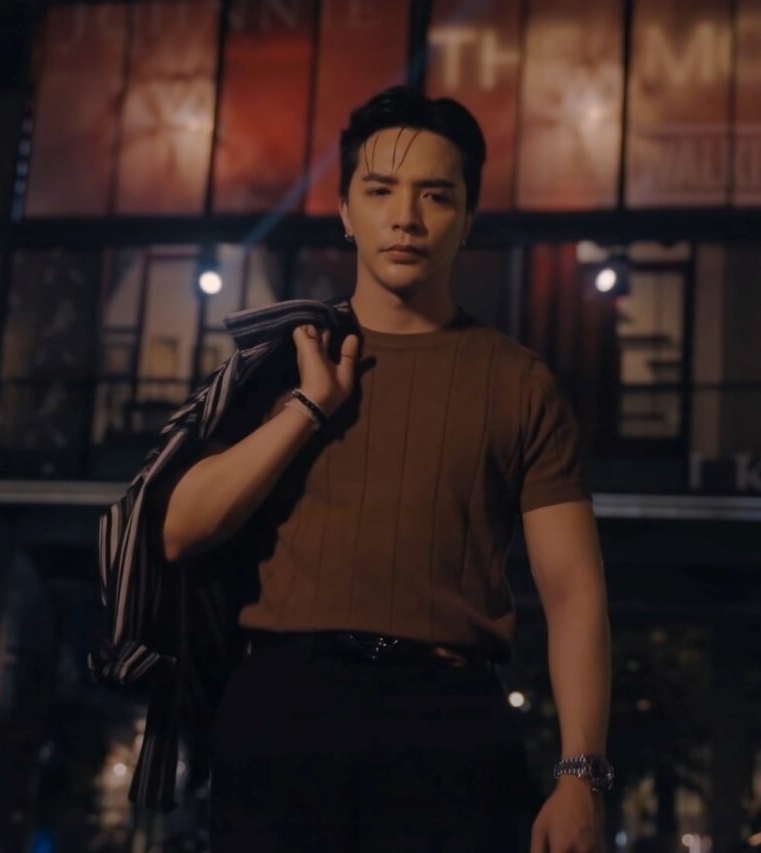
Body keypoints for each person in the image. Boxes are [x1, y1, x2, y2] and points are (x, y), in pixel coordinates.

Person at [162, 85, 611, 853]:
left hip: (447, 720)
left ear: (467, 218)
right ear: (345, 210)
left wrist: (581, 774)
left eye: (436, 194)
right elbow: (179, 528)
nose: (406, 216)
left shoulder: (518, 382)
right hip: (283, 709)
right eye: (380, 191)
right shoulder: (279, 360)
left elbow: (573, 591)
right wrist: (309, 405)